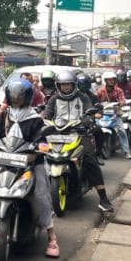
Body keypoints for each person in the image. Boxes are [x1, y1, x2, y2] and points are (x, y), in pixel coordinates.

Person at [0, 79, 59, 257]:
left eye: (20, 96)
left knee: (41, 193)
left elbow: (41, 137)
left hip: (30, 163)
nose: (17, 99)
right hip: (4, 161)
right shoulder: (4, 116)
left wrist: (42, 145)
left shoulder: (35, 119)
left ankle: (52, 237)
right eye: (13, 95)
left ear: (27, 97)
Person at [43, 71, 114, 212]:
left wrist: (87, 119)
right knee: (39, 154)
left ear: (73, 85)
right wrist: (44, 119)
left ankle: (103, 199)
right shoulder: (54, 99)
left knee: (90, 160)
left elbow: (89, 110)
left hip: (79, 132)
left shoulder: (82, 97)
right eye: (62, 85)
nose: (65, 88)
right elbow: (47, 114)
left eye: (68, 85)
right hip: (58, 134)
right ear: (58, 86)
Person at [96, 72, 131, 160]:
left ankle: (126, 152)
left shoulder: (118, 90)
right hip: (103, 114)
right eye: (109, 80)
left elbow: (123, 100)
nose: (112, 81)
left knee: (121, 131)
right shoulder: (100, 91)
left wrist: (121, 103)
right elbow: (95, 100)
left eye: (113, 80)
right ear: (105, 81)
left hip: (115, 114)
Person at [77, 74, 105, 165]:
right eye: (80, 84)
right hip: (71, 123)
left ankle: (98, 154)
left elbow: (99, 107)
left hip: (87, 122)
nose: (82, 87)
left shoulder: (93, 96)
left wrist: (98, 113)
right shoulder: (72, 96)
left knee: (99, 131)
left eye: (85, 84)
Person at [116, 70, 131, 137]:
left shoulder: (130, 86)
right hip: (118, 105)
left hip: (129, 104)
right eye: (119, 76)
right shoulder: (115, 86)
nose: (120, 78)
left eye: (122, 76)